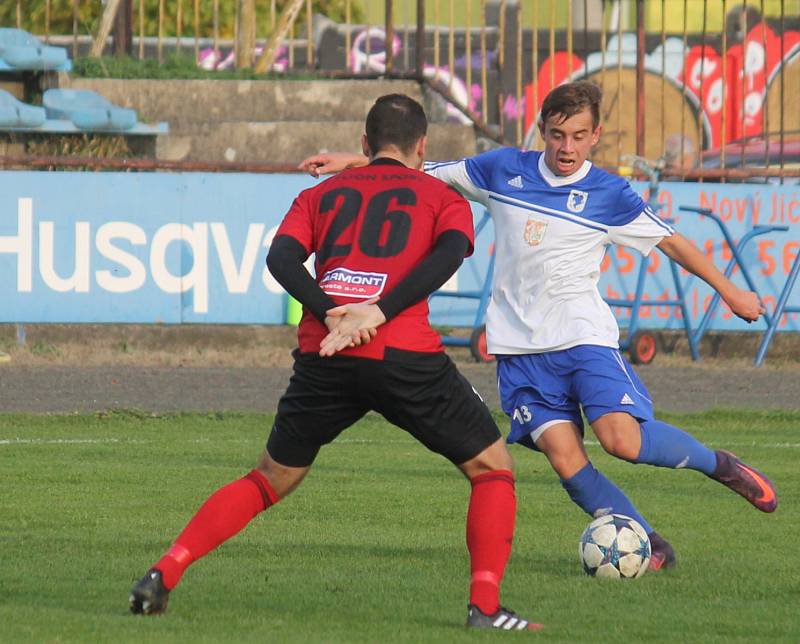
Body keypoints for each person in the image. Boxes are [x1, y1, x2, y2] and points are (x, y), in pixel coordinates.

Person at [300, 81, 779, 572]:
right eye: (556, 135)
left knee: (622, 441)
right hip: (519, 350)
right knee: (566, 459)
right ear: (542, 132)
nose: (565, 147)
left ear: (595, 135)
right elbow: (414, 168)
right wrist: (349, 161)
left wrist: (729, 291)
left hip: (582, 338)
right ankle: (647, 542)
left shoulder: (609, 193)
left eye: (577, 136)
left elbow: (672, 243)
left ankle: (719, 465)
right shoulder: (502, 169)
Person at [129, 94, 541, 631]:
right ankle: (484, 608)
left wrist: (330, 313)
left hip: (325, 355)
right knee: (491, 470)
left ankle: (164, 572)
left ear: (366, 145)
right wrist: (378, 310)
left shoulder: (322, 194)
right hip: (403, 355)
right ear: (422, 147)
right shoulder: (441, 195)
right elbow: (447, 255)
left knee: (269, 478)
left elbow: (280, 258)